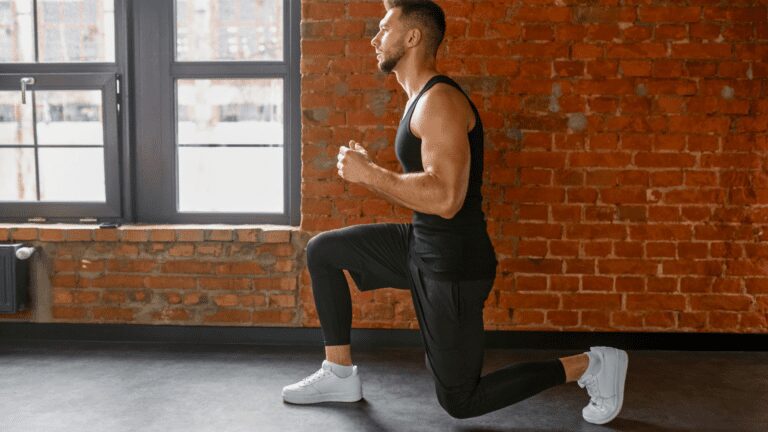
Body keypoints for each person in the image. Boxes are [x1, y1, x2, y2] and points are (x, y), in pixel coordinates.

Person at [282, 0, 628, 425]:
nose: (374, 39)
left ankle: (591, 364)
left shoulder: (439, 101)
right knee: (324, 251)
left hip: (453, 264)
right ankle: (338, 372)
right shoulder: (417, 98)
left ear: (412, 38)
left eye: (384, 28)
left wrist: (370, 174)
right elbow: (425, 192)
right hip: (421, 245)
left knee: (461, 399)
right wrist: (371, 172)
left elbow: (447, 199)